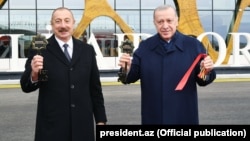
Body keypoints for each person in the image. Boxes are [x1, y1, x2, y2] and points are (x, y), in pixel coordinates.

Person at [118, 5, 216, 125]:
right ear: (154, 23)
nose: (165, 26)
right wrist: (126, 68)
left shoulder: (193, 46)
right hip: (154, 117)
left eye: (169, 21)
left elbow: (203, 81)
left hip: (184, 116)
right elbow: (129, 78)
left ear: (177, 21)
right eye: (160, 22)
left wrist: (206, 70)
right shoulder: (145, 47)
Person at [20, 7, 107, 141]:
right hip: (52, 129)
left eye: (67, 21)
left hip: (82, 127)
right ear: (52, 24)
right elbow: (26, 86)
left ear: (73, 23)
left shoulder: (87, 51)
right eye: (58, 21)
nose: (63, 26)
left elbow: (95, 89)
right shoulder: (40, 49)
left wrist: (101, 120)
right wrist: (34, 74)